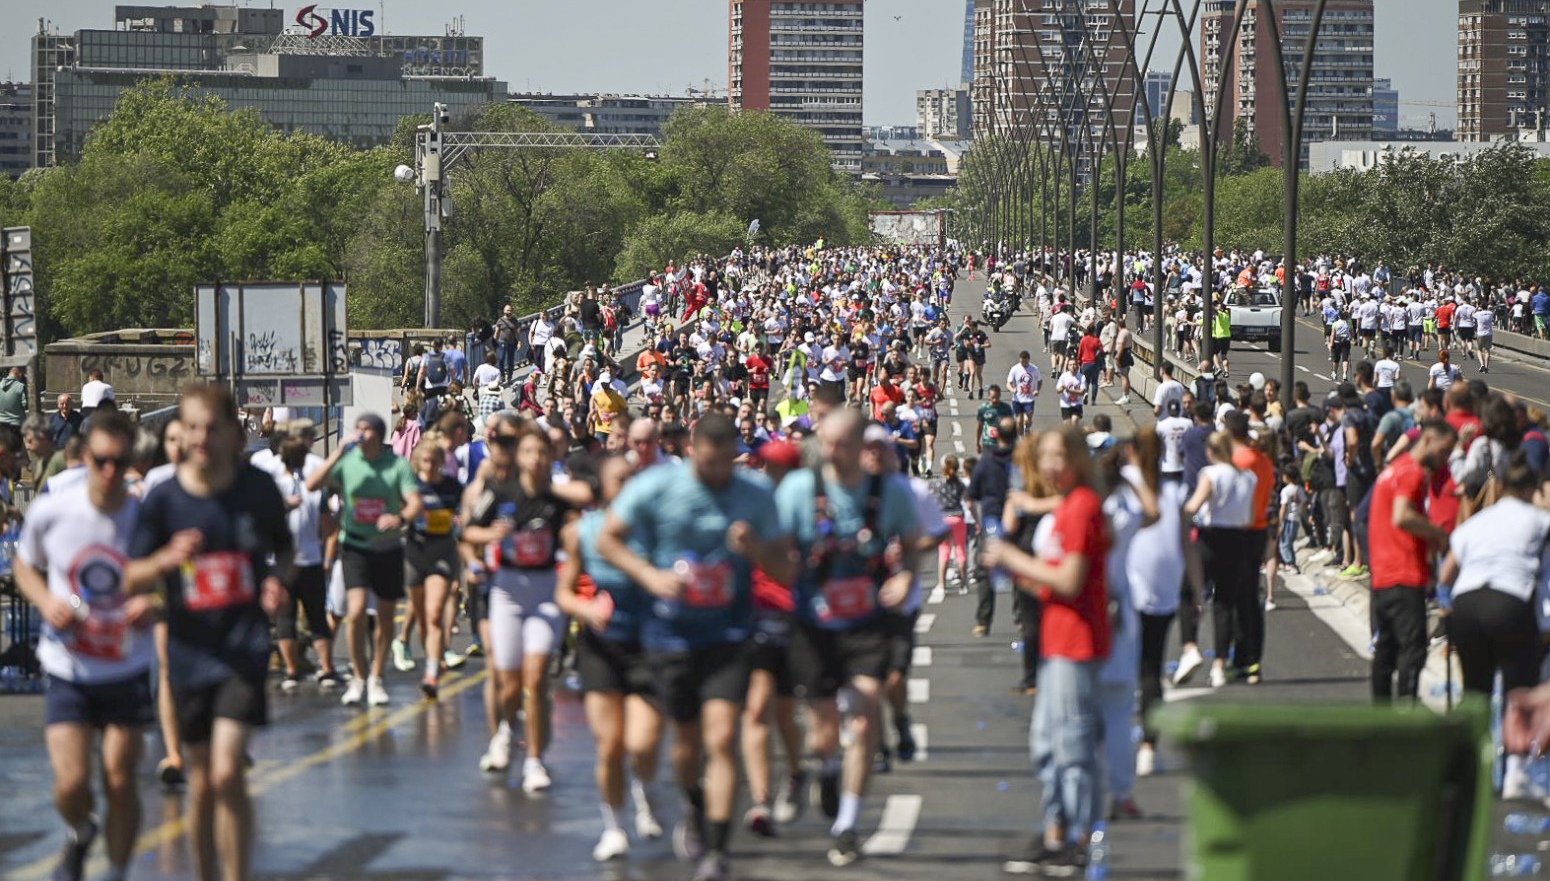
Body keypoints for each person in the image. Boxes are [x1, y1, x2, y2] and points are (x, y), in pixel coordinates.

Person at [599, 413, 793, 881]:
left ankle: (718, 851)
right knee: (685, 746)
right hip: (671, 635)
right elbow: (608, 538)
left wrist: (757, 552)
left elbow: (788, 570)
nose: (718, 473)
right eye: (709, 463)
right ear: (692, 450)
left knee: (723, 738)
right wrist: (649, 576)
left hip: (729, 634)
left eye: (726, 463)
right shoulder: (661, 487)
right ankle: (693, 804)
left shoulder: (755, 494)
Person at [126, 385, 292, 881]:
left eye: (210, 427)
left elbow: (283, 554)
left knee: (225, 772)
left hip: (244, 648)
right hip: (189, 649)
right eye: (192, 427)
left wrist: (275, 585)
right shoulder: (164, 498)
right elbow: (131, 572)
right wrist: (165, 559)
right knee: (202, 783)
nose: (200, 438)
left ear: (232, 433)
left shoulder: (257, 489)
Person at [774, 412, 920, 867]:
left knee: (863, 715)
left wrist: (906, 576)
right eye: (826, 443)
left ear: (860, 444)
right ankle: (828, 767)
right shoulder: (799, 491)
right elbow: (776, 547)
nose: (833, 452)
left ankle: (848, 826)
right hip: (815, 626)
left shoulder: (889, 492)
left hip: (866, 623)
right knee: (824, 731)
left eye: (842, 443)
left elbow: (913, 543)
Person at [15, 410, 152, 881]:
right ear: (86, 458)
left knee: (119, 779)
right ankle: (81, 831)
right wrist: (45, 600)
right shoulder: (55, 509)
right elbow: (23, 566)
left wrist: (154, 603)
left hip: (126, 665)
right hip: (67, 665)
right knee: (71, 785)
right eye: (101, 461)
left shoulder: (144, 519)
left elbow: (178, 577)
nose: (110, 472)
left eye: (119, 461)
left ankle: (116, 871)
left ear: (130, 460)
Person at [986, 427, 1111, 878]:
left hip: (1077, 643)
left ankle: (1077, 839)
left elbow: (1071, 580)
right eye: (1045, 458)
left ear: (1077, 458)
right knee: (1046, 745)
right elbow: (1050, 580)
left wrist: (1011, 557)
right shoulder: (1065, 507)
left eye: (1059, 456)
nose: (1050, 465)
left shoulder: (1081, 507)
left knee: (1073, 744)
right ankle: (1056, 830)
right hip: (1057, 639)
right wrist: (1019, 575)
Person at [554, 454, 666, 860]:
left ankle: (648, 790)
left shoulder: (652, 528)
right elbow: (564, 593)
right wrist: (586, 610)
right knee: (610, 745)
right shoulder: (581, 531)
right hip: (601, 646)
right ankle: (615, 827)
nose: (629, 483)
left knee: (643, 742)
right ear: (602, 486)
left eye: (632, 477)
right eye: (620, 478)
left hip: (648, 643)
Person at [461, 424, 572, 790]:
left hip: (544, 590)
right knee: (508, 684)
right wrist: (493, 535)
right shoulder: (499, 490)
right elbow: (468, 531)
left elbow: (576, 531)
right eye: (528, 452)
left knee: (536, 679)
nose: (536, 460)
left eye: (542, 453)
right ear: (519, 458)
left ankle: (536, 761)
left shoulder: (558, 498)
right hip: (507, 590)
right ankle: (505, 730)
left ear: (550, 457)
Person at [1439, 458, 1550, 796]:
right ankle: (1517, 771)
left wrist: (1448, 611)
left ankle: (1472, 770)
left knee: (1477, 690)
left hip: (1467, 604)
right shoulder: (1541, 520)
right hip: (1509, 602)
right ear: (1532, 490)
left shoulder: (1477, 521)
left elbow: (1446, 575)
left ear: (1501, 487)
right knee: (1520, 688)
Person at [307, 414, 423, 708]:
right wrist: (337, 452)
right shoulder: (349, 462)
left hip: (387, 547)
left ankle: (377, 676)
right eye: (356, 429)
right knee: (355, 612)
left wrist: (398, 517)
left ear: (378, 434)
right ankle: (359, 676)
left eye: (365, 429)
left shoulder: (396, 465)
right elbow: (312, 484)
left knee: (385, 615)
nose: (359, 434)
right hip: (355, 546)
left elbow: (415, 504)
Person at [1368, 420, 1455, 703]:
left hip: (1383, 573)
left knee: (1387, 647)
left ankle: (1381, 710)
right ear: (1428, 441)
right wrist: (1438, 534)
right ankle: (1406, 708)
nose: (1444, 460)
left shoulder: (1392, 469)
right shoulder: (1412, 472)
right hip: (1404, 572)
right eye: (1444, 452)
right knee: (1412, 648)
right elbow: (1402, 516)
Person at [1183, 431, 1258, 689]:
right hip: (1238, 540)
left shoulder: (1211, 474)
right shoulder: (1249, 477)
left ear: (1211, 452)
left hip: (1210, 538)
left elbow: (1194, 506)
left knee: (1189, 591)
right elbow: (1248, 515)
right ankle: (1219, 665)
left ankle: (1190, 646)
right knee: (1225, 604)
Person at [270, 434, 338, 693]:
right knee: (317, 617)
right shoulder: (313, 490)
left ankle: (291, 671)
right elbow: (329, 527)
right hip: (311, 560)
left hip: (283, 563)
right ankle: (327, 668)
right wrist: (329, 558)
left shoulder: (273, 488)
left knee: (285, 621)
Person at [403, 439, 464, 699]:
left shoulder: (451, 486)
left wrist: (459, 521)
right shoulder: (411, 486)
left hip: (442, 550)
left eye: (434, 461)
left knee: (435, 613)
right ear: (418, 461)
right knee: (422, 617)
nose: (429, 466)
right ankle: (434, 656)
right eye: (425, 461)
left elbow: (464, 513)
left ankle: (431, 674)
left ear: (441, 462)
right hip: (416, 551)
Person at [1006, 351, 1044, 436]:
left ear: (1029, 360)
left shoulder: (1034, 369)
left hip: (1029, 399)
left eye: (1025, 362)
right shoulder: (1015, 369)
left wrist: (1037, 390)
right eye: (1022, 362)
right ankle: (1021, 438)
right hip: (1017, 399)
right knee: (1019, 421)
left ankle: (1027, 428)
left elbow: (1040, 381)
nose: (1024, 363)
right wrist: (1012, 389)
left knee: (1027, 420)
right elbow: (1008, 383)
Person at [976, 384, 1014, 454]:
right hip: (988, 442)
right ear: (989, 396)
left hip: (1002, 443)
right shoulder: (983, 408)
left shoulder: (1006, 408)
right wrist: (977, 442)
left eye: (997, 397)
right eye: (993, 397)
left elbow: (1011, 426)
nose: (995, 400)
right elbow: (980, 426)